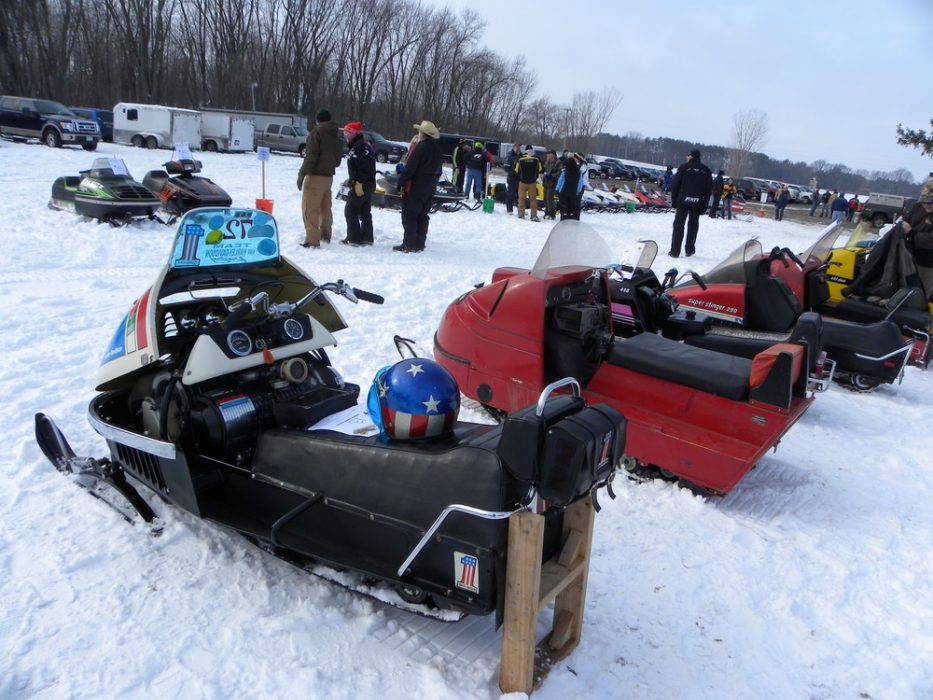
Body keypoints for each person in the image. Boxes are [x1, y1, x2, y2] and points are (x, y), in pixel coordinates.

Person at [394, 120, 442, 253]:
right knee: (423, 215)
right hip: (430, 186)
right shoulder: (437, 149)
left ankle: (408, 244)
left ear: (423, 133)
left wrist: (401, 182)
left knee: (410, 215)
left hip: (417, 186)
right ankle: (419, 243)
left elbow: (410, 168)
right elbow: (439, 170)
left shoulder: (420, 147)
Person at [297, 108, 342, 248]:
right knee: (325, 207)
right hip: (329, 176)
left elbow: (311, 156)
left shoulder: (316, 132)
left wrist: (302, 174)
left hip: (315, 175)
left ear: (317, 120)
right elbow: (338, 159)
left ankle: (312, 240)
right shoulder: (335, 134)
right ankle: (325, 235)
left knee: (310, 208)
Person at [668, 149, 712, 258]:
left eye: (688, 155)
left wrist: (674, 200)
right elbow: (708, 189)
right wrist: (704, 205)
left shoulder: (684, 167)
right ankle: (690, 250)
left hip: (683, 201)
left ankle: (675, 251)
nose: (686, 157)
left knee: (679, 225)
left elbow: (675, 184)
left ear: (691, 156)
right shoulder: (706, 170)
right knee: (693, 226)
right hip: (697, 202)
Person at [341, 122, 376, 247]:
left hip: (363, 183)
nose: (344, 134)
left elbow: (364, 166)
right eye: (344, 131)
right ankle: (367, 237)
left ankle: (354, 238)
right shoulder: (362, 144)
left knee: (350, 209)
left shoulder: (359, 146)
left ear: (354, 133)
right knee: (364, 210)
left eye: (347, 132)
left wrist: (358, 182)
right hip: (368, 182)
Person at [515, 146, 543, 221]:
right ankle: (533, 215)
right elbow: (540, 169)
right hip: (532, 182)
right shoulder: (536, 159)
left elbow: (516, 170)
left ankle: (521, 214)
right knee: (533, 199)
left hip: (522, 182)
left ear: (526, 150)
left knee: (521, 198)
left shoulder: (520, 159)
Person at [556, 153, 584, 220]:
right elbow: (580, 183)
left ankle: (564, 218)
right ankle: (571, 219)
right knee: (572, 208)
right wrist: (579, 191)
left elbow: (560, 181)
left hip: (564, 192)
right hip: (573, 192)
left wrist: (557, 189)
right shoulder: (578, 173)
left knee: (564, 207)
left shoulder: (565, 172)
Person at [541, 150, 561, 219]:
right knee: (545, 198)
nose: (548, 156)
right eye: (548, 154)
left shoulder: (558, 162)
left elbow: (559, 172)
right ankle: (547, 212)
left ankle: (552, 214)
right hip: (545, 182)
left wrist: (552, 175)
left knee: (549, 198)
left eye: (549, 154)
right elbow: (544, 168)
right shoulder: (547, 161)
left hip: (552, 183)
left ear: (553, 155)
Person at [504, 143, 522, 214]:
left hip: (520, 178)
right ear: (513, 147)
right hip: (512, 178)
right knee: (511, 194)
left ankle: (520, 209)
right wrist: (513, 171)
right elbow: (506, 167)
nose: (518, 149)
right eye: (517, 147)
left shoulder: (521, 155)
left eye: (519, 147)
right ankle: (509, 209)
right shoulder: (509, 155)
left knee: (519, 194)